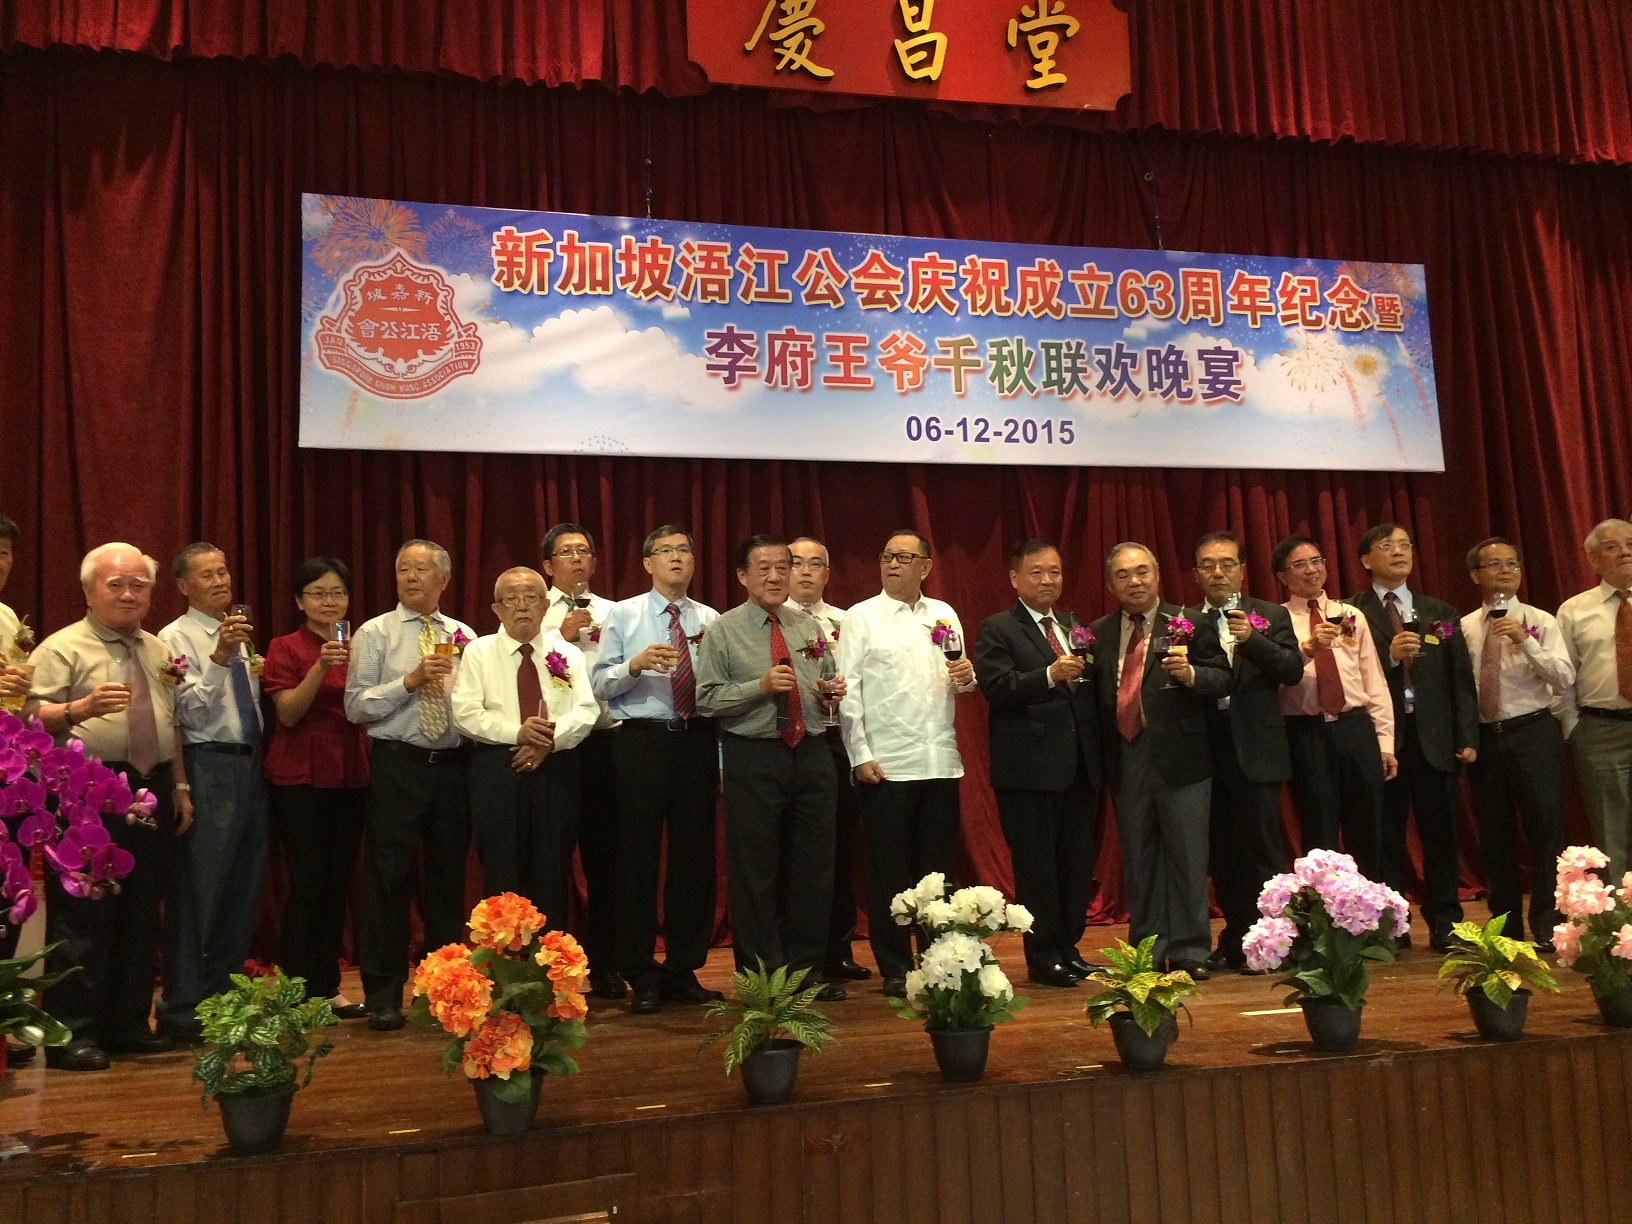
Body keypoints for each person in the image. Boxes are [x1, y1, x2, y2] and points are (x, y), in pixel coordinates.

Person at [26, 543, 194, 1070]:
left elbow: (173, 724)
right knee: (83, 917)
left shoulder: (157, 648)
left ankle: (126, 1025)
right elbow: (25, 721)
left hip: (152, 786)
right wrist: (79, 708)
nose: (127, 593)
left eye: (138, 584)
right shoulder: (61, 648)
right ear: (88, 590)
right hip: (84, 792)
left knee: (143, 911)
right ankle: (71, 1033)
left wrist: (181, 788)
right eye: (115, 584)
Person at [696, 535, 846, 1000]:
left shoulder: (808, 626)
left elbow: (823, 675)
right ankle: (763, 980)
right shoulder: (723, 629)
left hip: (814, 753)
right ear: (742, 576)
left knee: (813, 869)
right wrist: (758, 686)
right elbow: (705, 699)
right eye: (764, 568)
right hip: (754, 756)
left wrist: (829, 690)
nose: (776, 576)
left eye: (783, 566)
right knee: (755, 872)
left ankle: (805, 972)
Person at [836, 529, 977, 998]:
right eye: (887, 555)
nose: (893, 563)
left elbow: (957, 679)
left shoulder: (943, 614)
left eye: (903, 556)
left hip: (939, 760)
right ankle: (895, 964)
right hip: (887, 765)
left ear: (926, 566)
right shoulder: (861, 617)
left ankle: (938, 959)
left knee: (937, 872)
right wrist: (860, 755)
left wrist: (968, 676)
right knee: (887, 873)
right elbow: (848, 690)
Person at [344, 539, 475, 1031]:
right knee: (388, 877)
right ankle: (382, 993)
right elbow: (356, 706)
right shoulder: (375, 633)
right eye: (403, 569)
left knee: (447, 879)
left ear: (444, 579)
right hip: (398, 763)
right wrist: (411, 680)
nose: (411, 577)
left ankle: (446, 992)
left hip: (453, 767)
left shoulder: (465, 635)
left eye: (422, 570)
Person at [591, 525, 721, 1015]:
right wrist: (636, 664)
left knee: (694, 857)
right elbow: (599, 684)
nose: (676, 558)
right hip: (641, 742)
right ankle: (641, 970)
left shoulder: (710, 618)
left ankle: (684, 968)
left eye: (684, 549)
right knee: (637, 857)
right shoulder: (623, 614)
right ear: (647, 563)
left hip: (696, 741)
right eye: (665, 551)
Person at [1088, 542, 1229, 978]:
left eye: (1143, 572)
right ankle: (1146, 948)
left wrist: (1192, 676)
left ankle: (1190, 949)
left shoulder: (1189, 622)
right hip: (1127, 757)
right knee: (1139, 858)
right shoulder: (1100, 631)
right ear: (1110, 584)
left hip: (1182, 757)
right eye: (1124, 575)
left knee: (1187, 857)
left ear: (1158, 576)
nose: (1135, 581)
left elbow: (1222, 676)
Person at [972, 538, 1101, 988]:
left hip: (1080, 766)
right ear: (1014, 578)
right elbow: (996, 687)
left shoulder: (1074, 624)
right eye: (1037, 572)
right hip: (1027, 771)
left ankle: (1069, 947)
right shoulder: (997, 628)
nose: (1048, 580)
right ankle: (1043, 956)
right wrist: (1049, 674)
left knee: (1075, 863)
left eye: (1055, 572)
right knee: (1038, 868)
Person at [155, 542, 269, 1041]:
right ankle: (181, 1008)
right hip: (206, 765)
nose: (221, 581)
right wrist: (220, 657)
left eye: (224, 571)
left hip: (250, 767)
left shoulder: (238, 632)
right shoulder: (173, 637)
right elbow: (188, 715)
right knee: (198, 892)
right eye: (207, 575)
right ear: (182, 586)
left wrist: (233, 651)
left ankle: (223, 1004)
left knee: (242, 889)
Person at [1349, 523, 1479, 950]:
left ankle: (1445, 920)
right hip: (1382, 744)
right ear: (1366, 559)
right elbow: (1352, 676)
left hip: (1435, 741)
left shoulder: (1439, 611)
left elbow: (1459, 680)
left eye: (1406, 545)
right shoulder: (1352, 613)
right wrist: (1389, 657)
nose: (1400, 552)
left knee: (1441, 834)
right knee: (1382, 836)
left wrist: (1466, 736)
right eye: (1388, 546)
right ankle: (1388, 924)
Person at [1185, 531, 1305, 973]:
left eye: (1227, 563)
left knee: (1262, 848)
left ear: (1241, 569)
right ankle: (1235, 938)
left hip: (1257, 746)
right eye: (1208, 564)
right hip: (1205, 748)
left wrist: (1252, 639)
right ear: (1196, 573)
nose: (1218, 572)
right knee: (1222, 851)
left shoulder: (1269, 614)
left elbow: (1292, 670)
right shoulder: (1183, 619)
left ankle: (1275, 941)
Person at [453, 567, 600, 925]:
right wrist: (518, 734)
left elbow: (586, 709)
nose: (522, 606)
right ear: (497, 609)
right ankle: (503, 972)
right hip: (498, 767)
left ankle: (552, 972)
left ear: (545, 604)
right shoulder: (478, 652)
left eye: (531, 597)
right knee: (501, 872)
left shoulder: (567, 654)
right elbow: (465, 713)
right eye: (511, 599)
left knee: (553, 869)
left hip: (556, 767)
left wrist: (547, 741)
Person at [262, 557, 370, 1020]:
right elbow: (287, 713)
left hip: (351, 773)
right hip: (299, 776)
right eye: (319, 593)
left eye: (338, 593)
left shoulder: (361, 645)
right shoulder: (285, 646)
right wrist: (319, 668)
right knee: (306, 883)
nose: (330, 602)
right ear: (299, 601)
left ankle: (327, 988)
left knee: (336, 883)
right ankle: (294, 991)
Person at [1462, 538, 1572, 948]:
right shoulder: (1465, 626)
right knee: (1494, 834)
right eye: (1493, 565)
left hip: (1533, 732)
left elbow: (1564, 676)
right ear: (1476, 575)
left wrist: (1526, 641)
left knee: (1545, 830)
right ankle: (1504, 928)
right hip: (1486, 740)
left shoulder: (1541, 620)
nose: (1505, 571)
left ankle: (1548, 923)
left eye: (1512, 564)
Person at [1273, 535, 1396, 883]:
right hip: (1306, 733)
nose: (1311, 570)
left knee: (1367, 828)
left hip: (1355, 728)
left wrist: (1384, 742)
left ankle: (1370, 921)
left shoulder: (1349, 614)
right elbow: (1274, 683)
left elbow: (1374, 681)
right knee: (1318, 833)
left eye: (1317, 560)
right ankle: (1325, 924)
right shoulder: (1277, 620)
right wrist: (1307, 649)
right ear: (1282, 576)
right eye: (1299, 564)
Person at [540, 522, 625, 999]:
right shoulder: (533, 610)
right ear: (549, 566)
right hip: (555, 748)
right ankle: (554, 970)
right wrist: (559, 634)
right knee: (552, 858)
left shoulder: (616, 612)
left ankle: (608, 964)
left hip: (606, 746)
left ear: (593, 563)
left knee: (607, 861)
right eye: (565, 552)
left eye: (583, 551)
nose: (576, 559)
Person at [789, 535, 869, 983]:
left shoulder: (846, 621)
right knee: (799, 851)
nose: (804, 571)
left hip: (842, 739)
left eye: (814, 564)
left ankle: (837, 948)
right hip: (795, 740)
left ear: (827, 573)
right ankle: (797, 953)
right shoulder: (773, 622)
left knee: (839, 848)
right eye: (795, 562)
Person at [1558, 518, 1632, 882]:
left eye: (1630, 543)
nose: (1625, 551)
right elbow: (1562, 677)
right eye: (1612, 546)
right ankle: (1623, 923)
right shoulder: (1574, 610)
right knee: (1610, 830)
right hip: (1601, 731)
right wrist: (1575, 728)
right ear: (1593, 560)